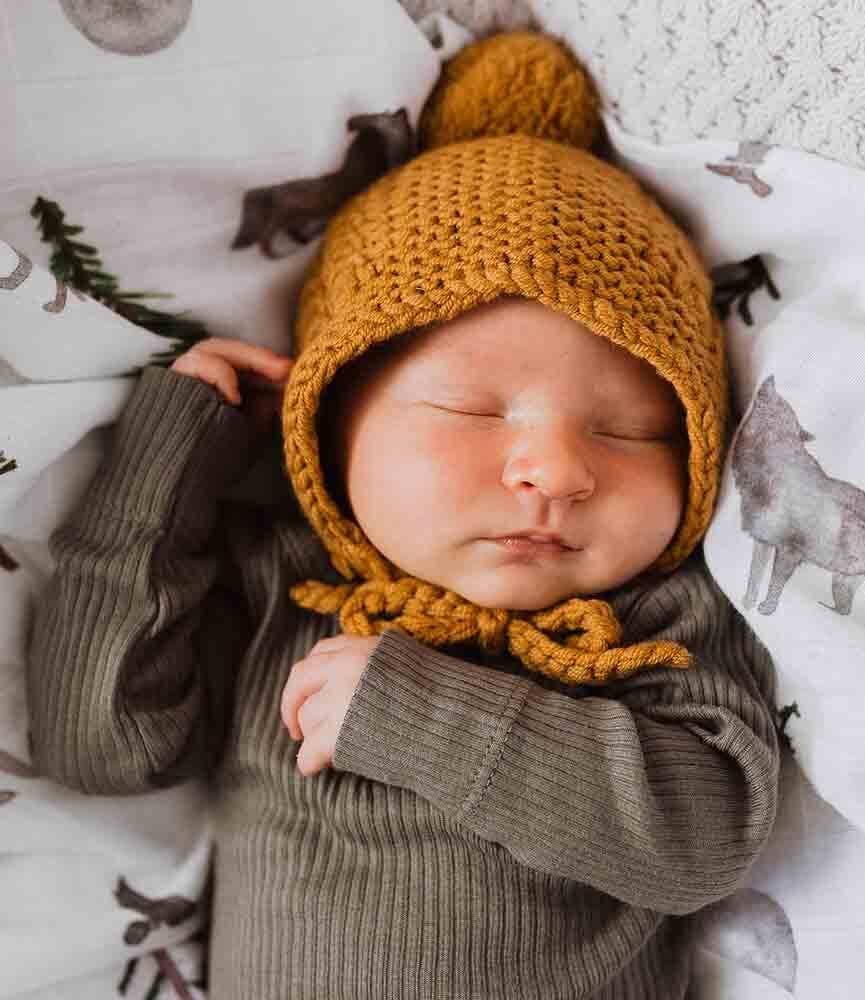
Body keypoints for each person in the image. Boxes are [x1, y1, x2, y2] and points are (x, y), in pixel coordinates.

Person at [26, 30, 779, 1000]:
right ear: (331, 424)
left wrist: (423, 718)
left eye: (632, 430)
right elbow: (102, 741)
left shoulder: (653, 627)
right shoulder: (287, 589)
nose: (553, 468)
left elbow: (702, 839)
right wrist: (167, 472)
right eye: (471, 410)